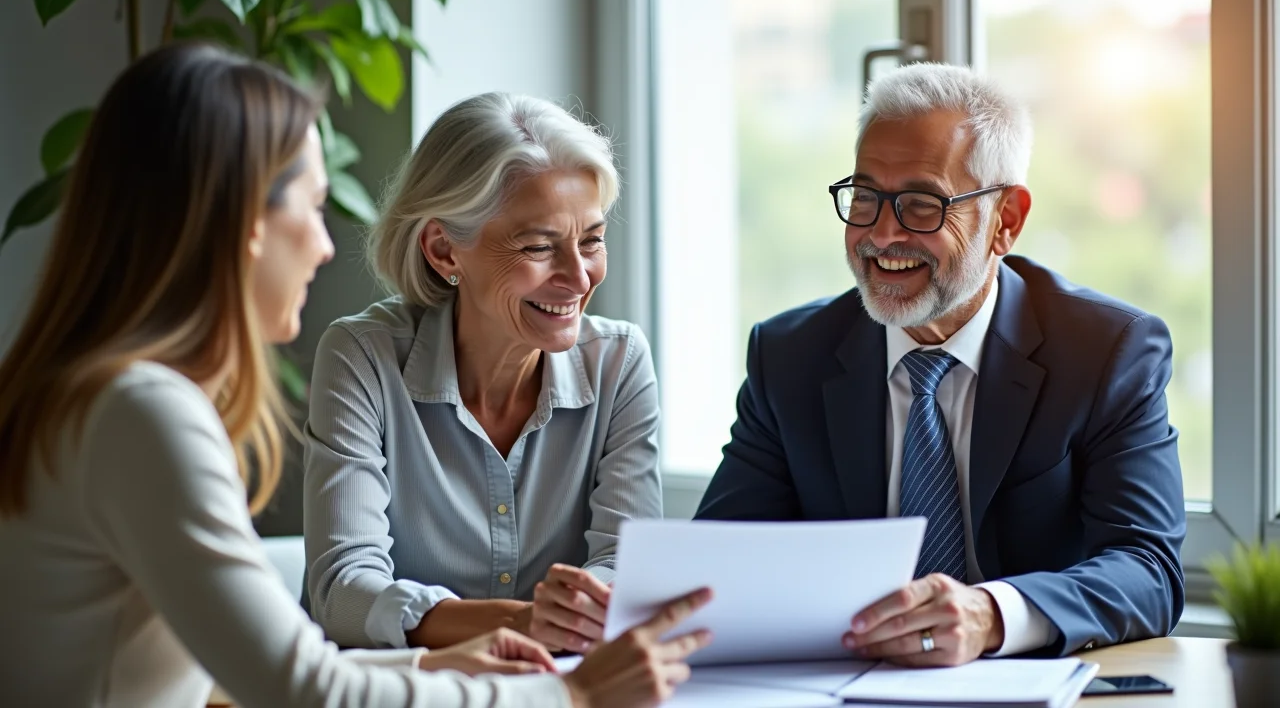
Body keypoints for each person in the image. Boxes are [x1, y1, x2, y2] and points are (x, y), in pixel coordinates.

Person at [0, 43, 710, 708]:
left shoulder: (95, 398)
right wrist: (567, 695)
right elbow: (305, 689)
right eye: (311, 208)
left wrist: (433, 664)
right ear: (248, 224)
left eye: (591, 239)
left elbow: (271, 675)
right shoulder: (143, 413)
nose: (324, 244)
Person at [695, 63, 1185, 666]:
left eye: (922, 205)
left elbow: (1148, 567)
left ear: (1006, 220)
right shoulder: (790, 355)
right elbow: (718, 562)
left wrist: (991, 615)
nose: (881, 233)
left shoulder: (1107, 351)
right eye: (867, 197)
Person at [303, 92, 659, 656]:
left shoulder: (619, 362)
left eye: (591, 240)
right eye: (539, 246)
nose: (578, 276)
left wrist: (580, 612)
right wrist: (523, 623)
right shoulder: (362, 357)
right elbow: (342, 592)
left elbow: (627, 567)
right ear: (445, 250)